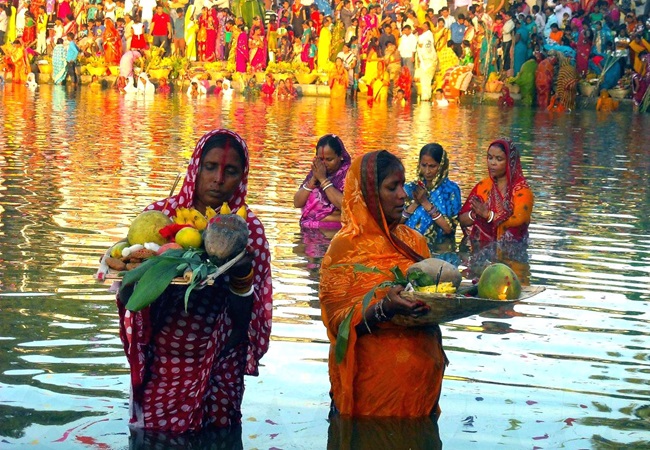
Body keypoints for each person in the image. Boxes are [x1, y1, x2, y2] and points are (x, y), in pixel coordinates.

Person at [117, 129, 272, 433]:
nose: (218, 179)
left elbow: (252, 312)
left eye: (230, 171)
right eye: (210, 167)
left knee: (218, 436)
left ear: (242, 177)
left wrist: (241, 275)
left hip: (222, 356)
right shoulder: (160, 218)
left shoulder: (247, 228)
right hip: (165, 356)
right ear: (195, 169)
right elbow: (129, 295)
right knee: (158, 436)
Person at [319, 150, 447, 418]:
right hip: (370, 397)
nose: (403, 195)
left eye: (403, 185)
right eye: (392, 187)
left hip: (420, 394)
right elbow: (337, 323)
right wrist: (384, 308)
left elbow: (434, 299)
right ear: (368, 195)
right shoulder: (344, 249)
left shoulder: (414, 241)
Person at [459, 139, 534, 246]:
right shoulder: (482, 186)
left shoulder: (523, 192)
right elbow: (462, 219)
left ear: (510, 162)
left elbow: (518, 223)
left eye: (499, 159)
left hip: (513, 253)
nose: (492, 163)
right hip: (480, 251)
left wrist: (488, 215)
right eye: (490, 158)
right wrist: (475, 214)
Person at [403, 143, 461, 248]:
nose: (427, 171)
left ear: (442, 165)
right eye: (423, 165)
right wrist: (416, 203)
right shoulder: (411, 188)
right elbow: (397, 222)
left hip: (438, 250)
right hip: (408, 245)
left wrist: (425, 202)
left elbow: (449, 229)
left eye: (432, 166)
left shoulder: (450, 190)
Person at [293, 134, 351, 230]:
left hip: (334, 234)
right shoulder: (316, 172)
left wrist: (323, 180)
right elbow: (297, 203)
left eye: (329, 159)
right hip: (307, 231)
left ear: (340, 156)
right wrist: (313, 180)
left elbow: (348, 207)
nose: (324, 164)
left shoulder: (349, 176)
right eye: (320, 159)